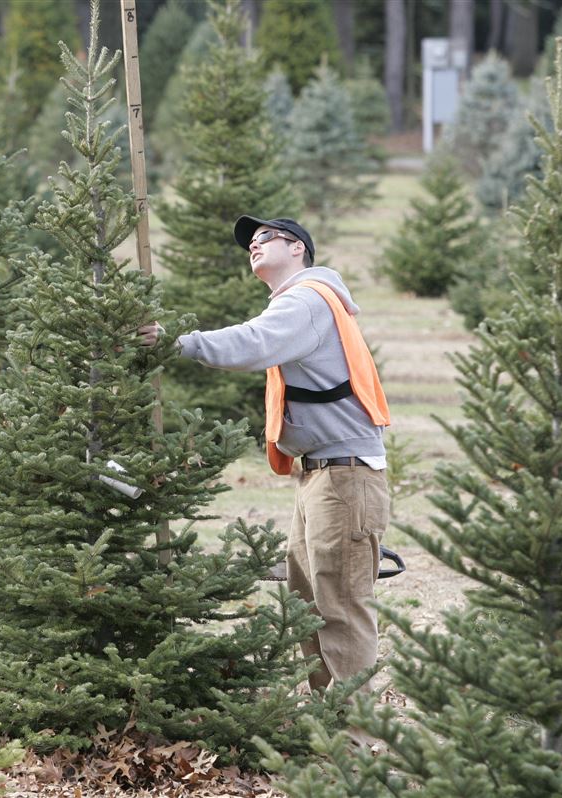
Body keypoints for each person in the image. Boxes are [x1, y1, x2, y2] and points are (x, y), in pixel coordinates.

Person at [139, 216, 390, 694]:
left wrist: (178, 342)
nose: (253, 244)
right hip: (321, 475)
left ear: (297, 248)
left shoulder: (308, 299)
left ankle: (358, 742)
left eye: (265, 237)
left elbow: (252, 343)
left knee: (340, 607)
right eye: (249, 242)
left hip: (345, 477)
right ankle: (327, 726)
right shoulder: (300, 302)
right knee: (310, 606)